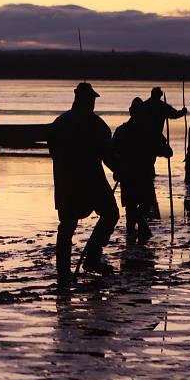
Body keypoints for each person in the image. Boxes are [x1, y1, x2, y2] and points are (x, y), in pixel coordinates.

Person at [49, 82, 120, 285]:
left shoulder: (59, 123)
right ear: (86, 100)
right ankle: (92, 259)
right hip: (91, 181)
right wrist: (119, 168)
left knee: (67, 226)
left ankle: (63, 272)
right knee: (110, 213)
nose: (93, 104)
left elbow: (54, 153)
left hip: (65, 183)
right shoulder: (95, 124)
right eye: (92, 100)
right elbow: (107, 152)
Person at [113, 97, 172, 243]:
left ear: (131, 112)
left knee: (132, 210)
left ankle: (133, 237)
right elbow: (167, 152)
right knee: (144, 206)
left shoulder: (122, 131)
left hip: (128, 177)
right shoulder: (151, 131)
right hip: (143, 176)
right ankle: (138, 233)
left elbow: (112, 152)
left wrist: (117, 169)